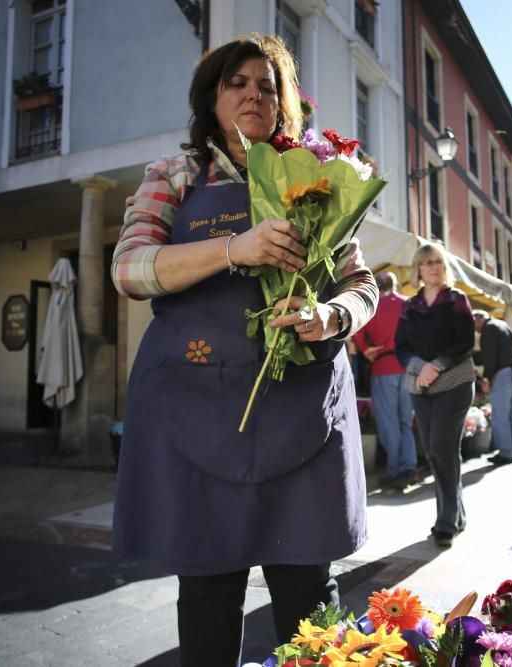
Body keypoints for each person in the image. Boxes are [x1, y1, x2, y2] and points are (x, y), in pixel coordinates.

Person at [109, 35, 378, 667]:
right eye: (238, 83)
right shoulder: (174, 176)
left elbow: (360, 286)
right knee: (208, 584)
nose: (254, 94)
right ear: (213, 99)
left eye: (267, 84)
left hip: (301, 405)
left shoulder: (318, 178)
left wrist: (331, 314)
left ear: (285, 102)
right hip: (197, 404)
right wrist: (237, 248)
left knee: (308, 587)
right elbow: (129, 269)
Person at [395, 243, 475, 549]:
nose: (434, 267)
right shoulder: (409, 305)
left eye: (439, 261)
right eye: (428, 262)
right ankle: (459, 514)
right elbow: (400, 345)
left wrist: (437, 366)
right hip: (421, 386)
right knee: (435, 451)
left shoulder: (456, 299)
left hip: (454, 382)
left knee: (441, 449)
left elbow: (465, 341)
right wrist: (420, 368)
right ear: (418, 268)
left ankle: (446, 522)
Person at [352, 271, 418, 490]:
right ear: (395, 284)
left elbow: (358, 334)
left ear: (376, 286)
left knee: (388, 422)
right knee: (405, 421)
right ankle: (408, 466)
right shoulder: (408, 304)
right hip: (409, 368)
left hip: (383, 368)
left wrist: (366, 350)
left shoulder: (372, 306)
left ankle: (395, 470)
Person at [472, 310, 512, 465]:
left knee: (500, 415)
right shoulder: (502, 324)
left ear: (479, 319)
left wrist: (487, 379)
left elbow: (490, 356)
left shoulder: (489, 329)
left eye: (474, 324)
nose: (474, 329)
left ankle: (506, 453)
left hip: (503, 372)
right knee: (511, 413)